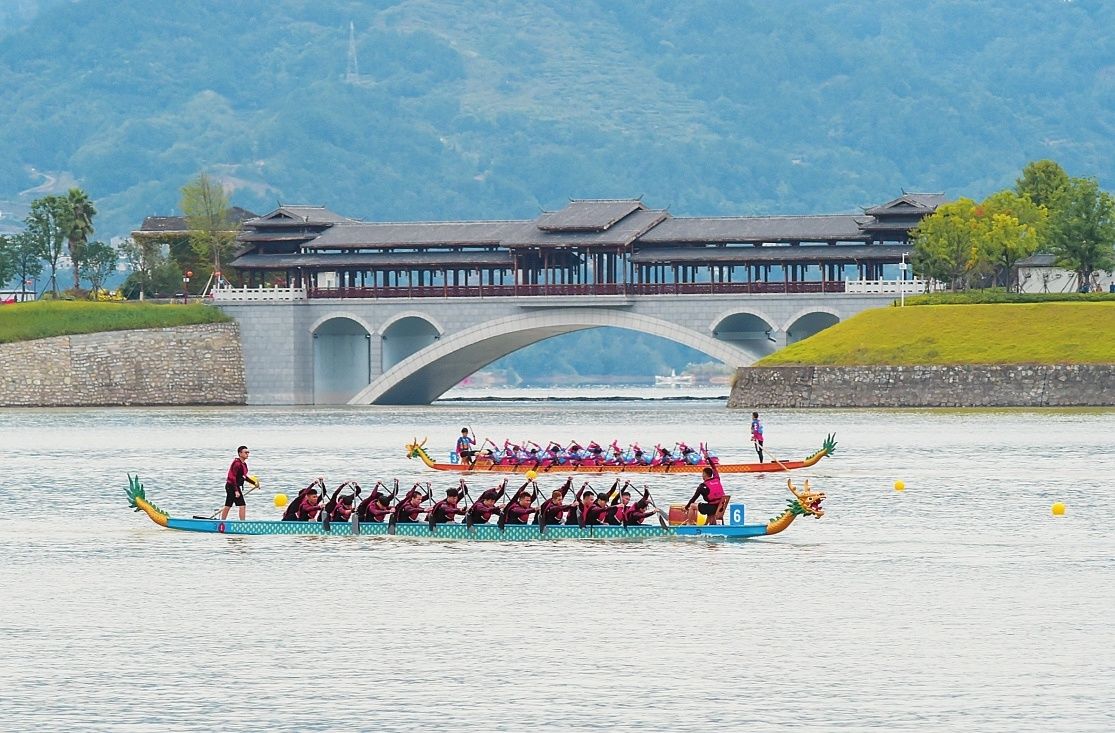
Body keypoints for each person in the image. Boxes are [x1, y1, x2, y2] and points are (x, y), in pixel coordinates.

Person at [684, 455, 726, 525]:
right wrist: (708, 458)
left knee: (692, 506)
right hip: (721, 507)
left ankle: (689, 525)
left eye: (702, 474)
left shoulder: (702, 486)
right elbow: (714, 467)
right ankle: (707, 525)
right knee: (709, 509)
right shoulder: (717, 478)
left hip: (712, 508)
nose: (702, 475)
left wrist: (686, 507)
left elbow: (693, 499)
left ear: (704, 474)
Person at [222, 445, 260, 521]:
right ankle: (241, 523)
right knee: (241, 505)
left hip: (234, 486)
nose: (247, 454)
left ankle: (223, 521)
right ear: (240, 453)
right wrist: (236, 490)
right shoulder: (236, 464)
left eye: (248, 452)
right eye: (246, 452)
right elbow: (232, 477)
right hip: (231, 486)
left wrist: (254, 483)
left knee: (229, 505)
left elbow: (244, 477)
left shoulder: (244, 464)